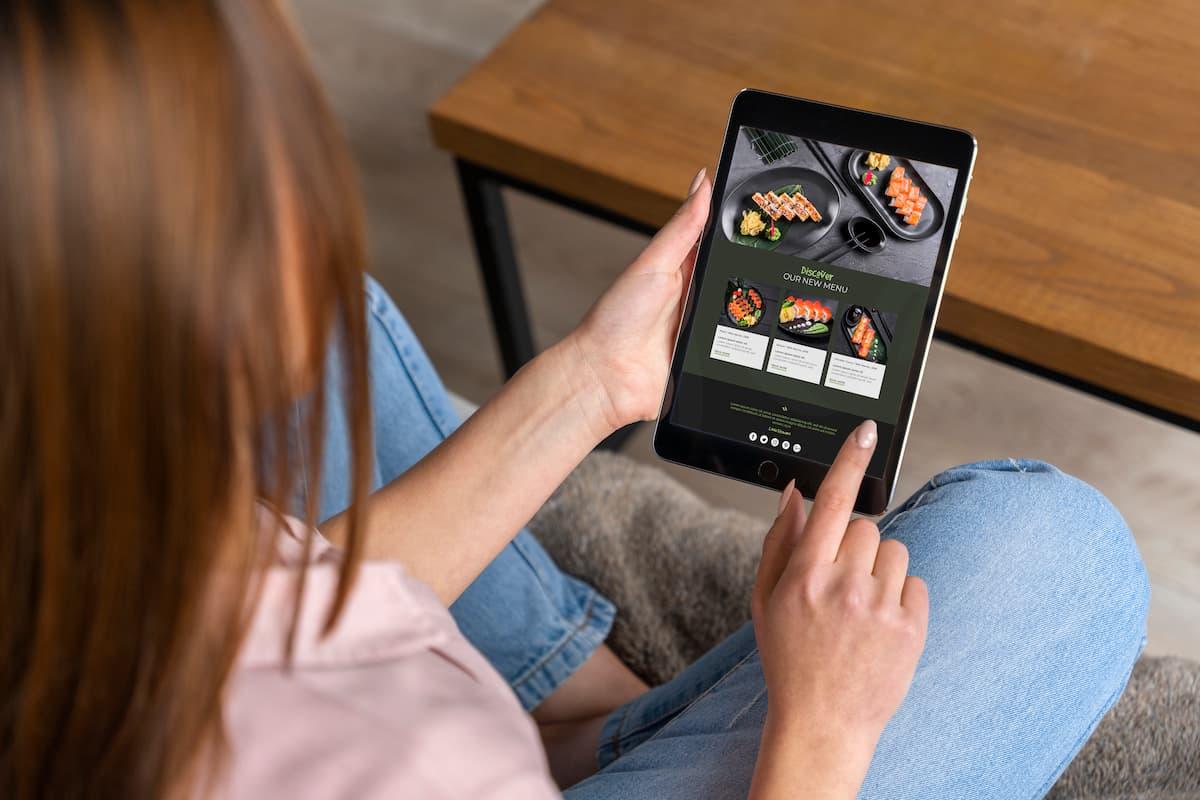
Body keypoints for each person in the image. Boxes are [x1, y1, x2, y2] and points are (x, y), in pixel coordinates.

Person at [0, 2, 1150, 798]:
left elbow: (263, 624)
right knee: (1058, 552)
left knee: (333, 322)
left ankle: (584, 713)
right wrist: (818, 732)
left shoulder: (82, 558)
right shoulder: (402, 765)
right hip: (459, 769)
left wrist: (599, 377)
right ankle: (591, 733)